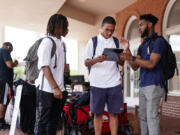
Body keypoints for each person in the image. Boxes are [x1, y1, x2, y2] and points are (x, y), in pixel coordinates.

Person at [119, 14, 166, 135]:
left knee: (151, 117)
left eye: (141, 25)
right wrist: (127, 49)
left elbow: (151, 64)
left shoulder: (159, 42)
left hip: (154, 84)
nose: (139, 28)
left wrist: (131, 57)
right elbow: (135, 66)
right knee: (143, 117)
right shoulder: (143, 45)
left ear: (150, 24)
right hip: (143, 85)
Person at [84, 16, 124, 135]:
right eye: (107, 30)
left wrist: (119, 57)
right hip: (97, 83)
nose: (109, 33)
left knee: (113, 113)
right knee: (97, 114)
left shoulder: (116, 42)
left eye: (112, 30)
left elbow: (122, 62)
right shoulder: (93, 41)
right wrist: (97, 60)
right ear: (101, 27)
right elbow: (86, 62)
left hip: (114, 83)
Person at [34, 14, 69, 135]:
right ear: (58, 26)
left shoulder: (62, 44)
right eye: (65, 26)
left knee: (54, 121)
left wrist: (62, 87)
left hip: (59, 89)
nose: (67, 29)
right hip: (47, 90)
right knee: (42, 122)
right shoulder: (47, 42)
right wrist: (55, 88)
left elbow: (60, 67)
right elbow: (44, 66)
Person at [0, 42, 18, 130]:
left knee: (2, 100)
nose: (10, 52)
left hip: (1, 80)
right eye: (11, 50)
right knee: (3, 101)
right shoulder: (4, 51)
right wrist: (15, 63)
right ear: (8, 46)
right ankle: (1, 122)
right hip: (4, 80)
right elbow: (9, 64)